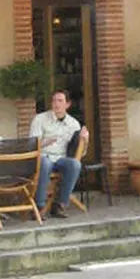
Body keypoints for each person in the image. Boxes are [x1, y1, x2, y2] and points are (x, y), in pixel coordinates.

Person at [30, 89, 87, 218]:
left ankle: (60, 204)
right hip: (43, 156)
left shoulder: (73, 124)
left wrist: (85, 140)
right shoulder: (40, 119)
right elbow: (31, 145)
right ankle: (39, 206)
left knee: (75, 164)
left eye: (60, 101)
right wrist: (45, 142)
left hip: (61, 158)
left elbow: (81, 153)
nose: (56, 104)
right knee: (44, 163)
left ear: (67, 104)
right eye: (54, 101)